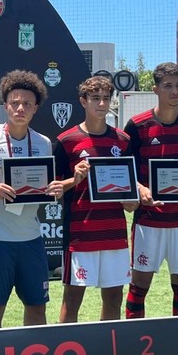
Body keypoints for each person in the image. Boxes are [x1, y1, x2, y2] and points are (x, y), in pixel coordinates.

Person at [0, 70, 65, 329]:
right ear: (5, 104)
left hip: (31, 240)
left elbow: (43, 185)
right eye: (15, 102)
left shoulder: (43, 143)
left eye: (27, 104)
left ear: (35, 108)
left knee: (36, 308)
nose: (20, 108)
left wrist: (53, 189)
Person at [123, 62, 178, 318]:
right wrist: (139, 188)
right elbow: (128, 170)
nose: (175, 92)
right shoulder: (137, 125)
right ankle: (134, 339)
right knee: (139, 286)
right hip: (148, 221)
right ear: (155, 89)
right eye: (168, 86)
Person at [54, 75, 136, 323]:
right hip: (81, 233)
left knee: (113, 299)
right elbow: (54, 189)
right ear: (83, 101)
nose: (101, 104)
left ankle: (107, 350)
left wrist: (132, 200)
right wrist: (74, 180)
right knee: (72, 300)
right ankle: (66, 354)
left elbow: (130, 187)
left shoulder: (122, 140)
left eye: (105, 99)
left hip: (114, 231)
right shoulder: (66, 141)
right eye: (95, 98)